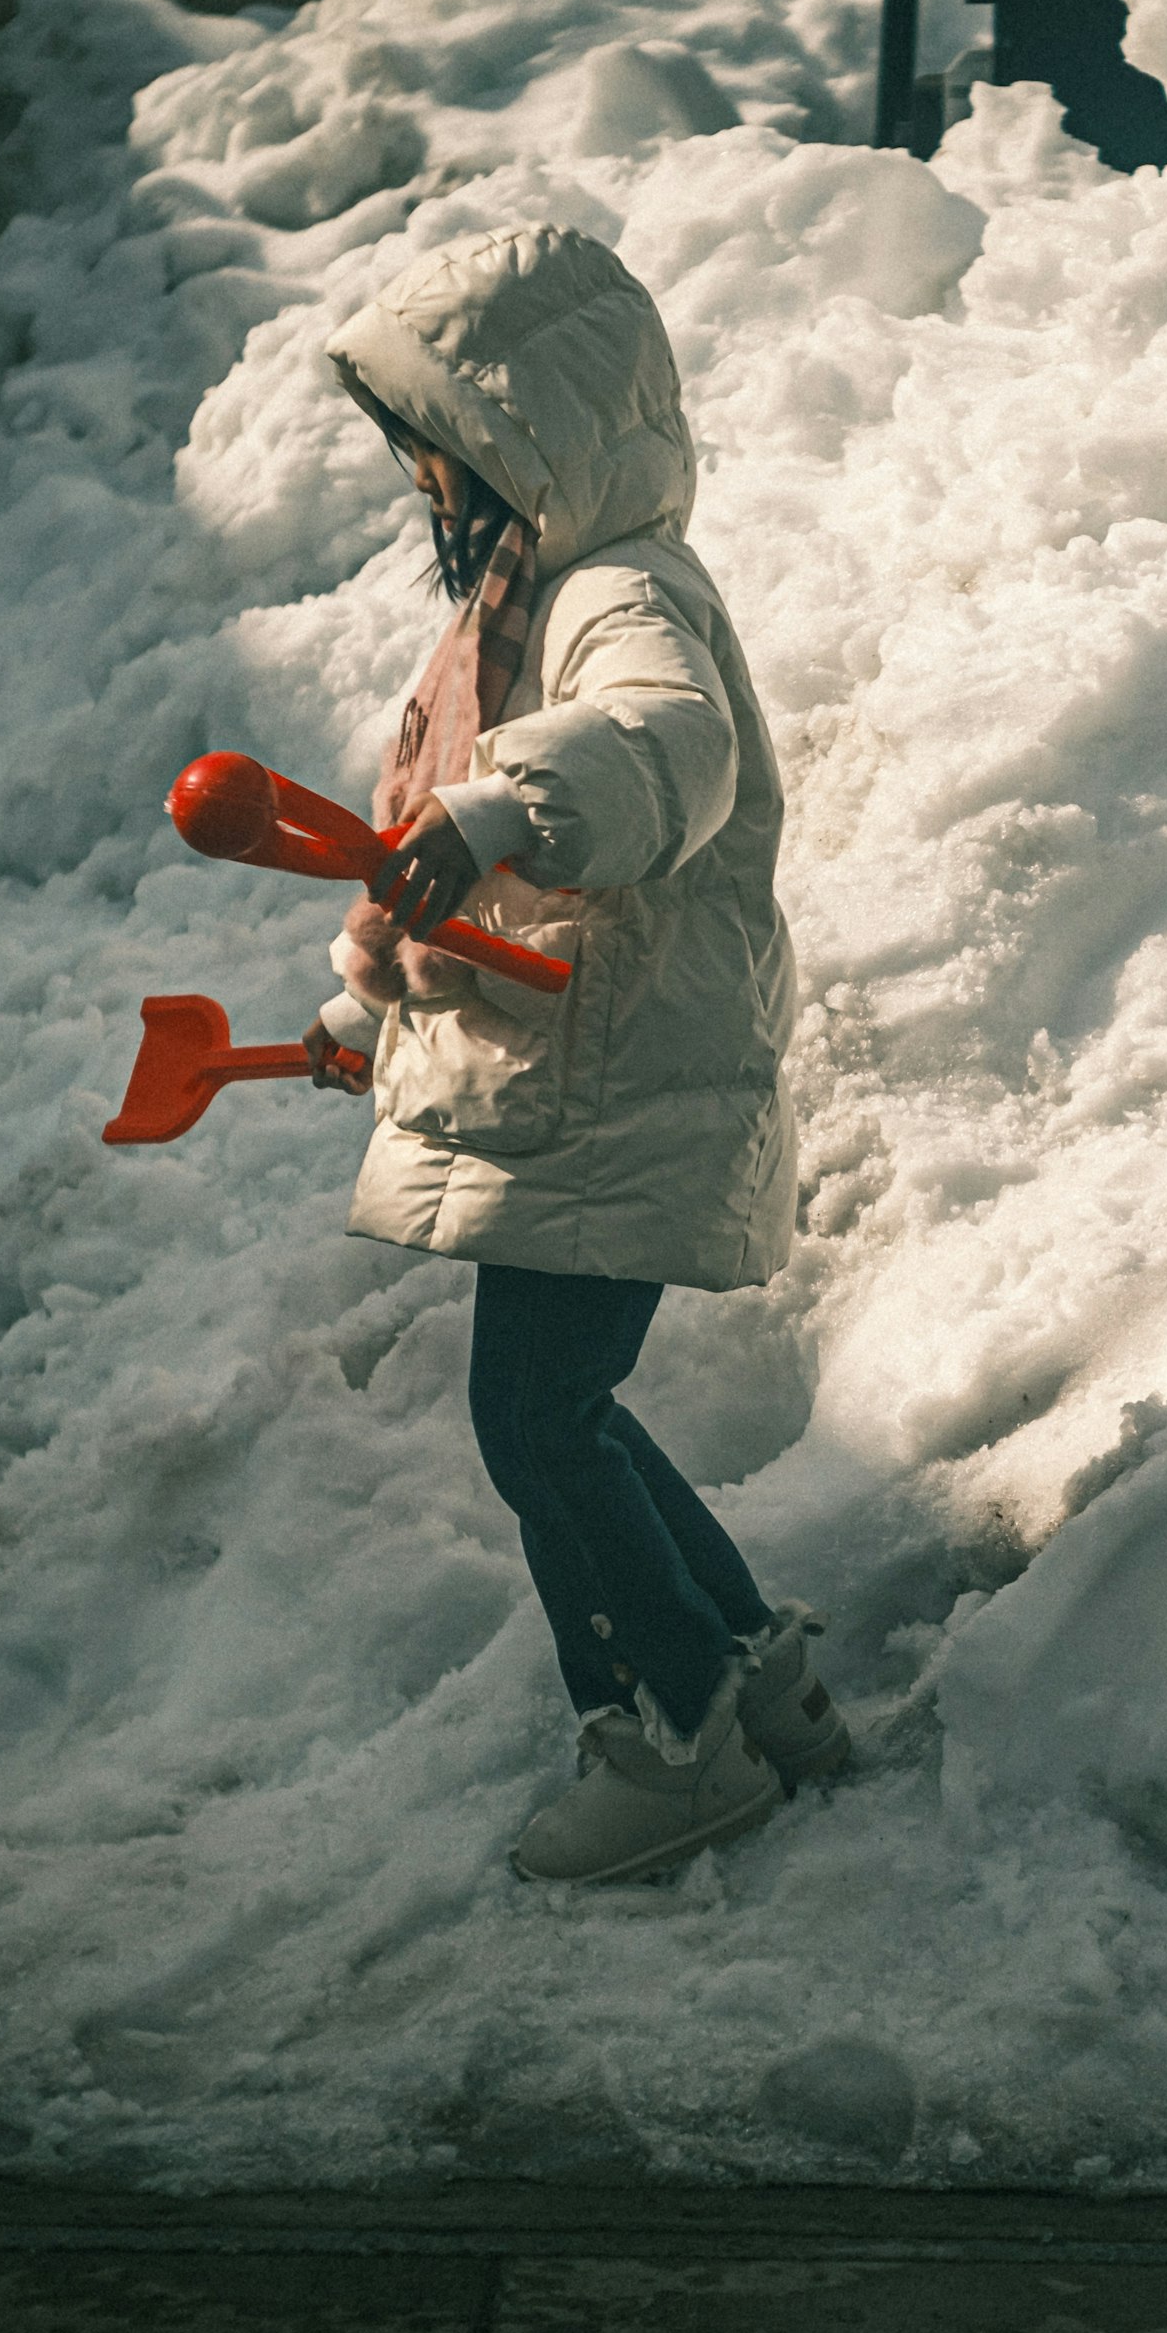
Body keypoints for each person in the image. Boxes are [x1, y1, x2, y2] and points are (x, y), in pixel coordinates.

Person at [297, 221, 843, 1885]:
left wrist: (498, 809)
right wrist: (363, 1009)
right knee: (565, 1412)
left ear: (529, 445)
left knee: (537, 1422)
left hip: (613, 1093)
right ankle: (755, 1682)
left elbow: (666, 753)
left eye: (442, 457)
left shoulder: (621, 596)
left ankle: (672, 1736)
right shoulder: (513, 619)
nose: (426, 495)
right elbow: (447, 881)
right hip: (555, 1080)